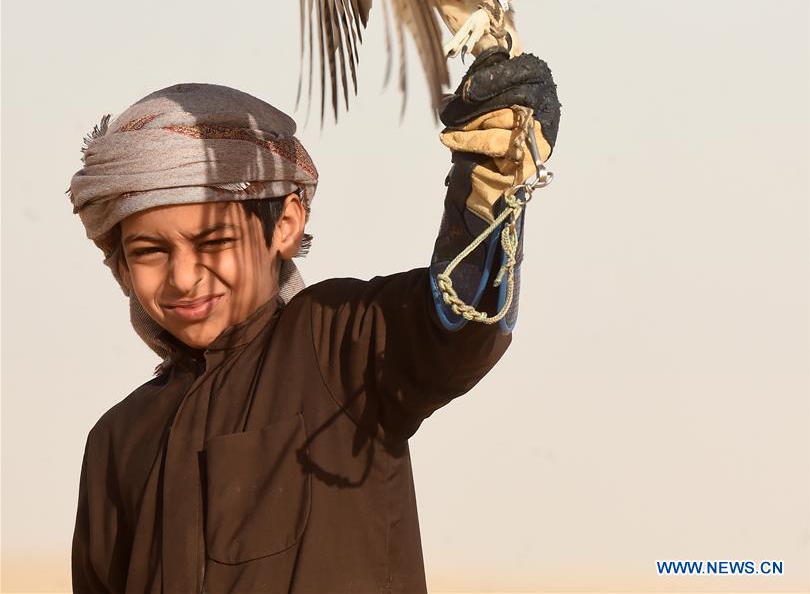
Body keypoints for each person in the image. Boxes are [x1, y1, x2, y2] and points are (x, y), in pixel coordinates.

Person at [69, 48, 560, 594]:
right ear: (120, 261)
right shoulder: (116, 441)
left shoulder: (338, 345)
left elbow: (457, 322)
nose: (184, 278)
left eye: (215, 242)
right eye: (150, 251)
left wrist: (487, 185)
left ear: (284, 225)